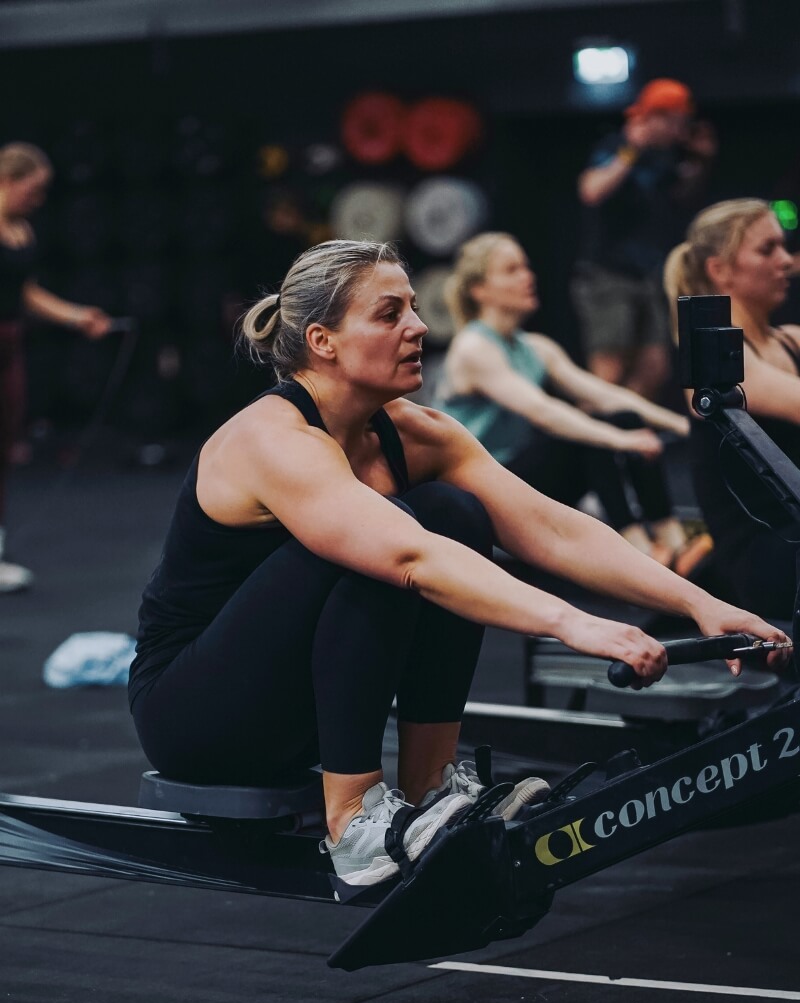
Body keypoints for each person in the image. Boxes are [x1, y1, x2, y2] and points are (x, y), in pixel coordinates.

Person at [128, 239, 787, 890]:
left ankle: (430, 785)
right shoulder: (271, 439)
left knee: (457, 512)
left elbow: (553, 529)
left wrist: (699, 602)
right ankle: (353, 819)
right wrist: (571, 624)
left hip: (295, 709)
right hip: (198, 716)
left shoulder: (415, 433)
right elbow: (407, 555)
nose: (418, 327)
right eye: (389, 314)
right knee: (386, 543)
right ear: (323, 341)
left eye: (413, 308)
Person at [438, 231, 709, 571]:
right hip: (481, 492)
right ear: (479, 290)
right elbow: (541, 411)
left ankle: (671, 538)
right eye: (512, 270)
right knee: (586, 435)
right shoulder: (473, 348)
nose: (528, 277)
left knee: (622, 416)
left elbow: (606, 394)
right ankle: (635, 547)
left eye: (526, 267)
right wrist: (619, 440)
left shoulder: (535, 347)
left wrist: (685, 425)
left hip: (520, 483)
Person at [664, 198, 800, 618]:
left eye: (784, 246)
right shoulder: (715, 359)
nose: (786, 262)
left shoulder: (791, 339)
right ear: (719, 269)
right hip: (765, 559)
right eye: (767, 250)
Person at [0, 142, 111, 593]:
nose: (38, 199)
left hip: (9, 344)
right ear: (8, 179)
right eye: (34, 188)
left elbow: (24, 294)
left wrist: (75, 316)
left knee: (5, 444)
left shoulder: (21, 230)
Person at [572, 78, 716, 400]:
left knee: (656, 366)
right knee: (608, 372)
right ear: (653, 118)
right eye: (675, 123)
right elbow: (591, 190)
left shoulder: (666, 156)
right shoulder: (617, 145)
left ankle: (627, 428)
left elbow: (683, 197)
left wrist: (701, 161)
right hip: (606, 274)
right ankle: (602, 440)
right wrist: (631, 149)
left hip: (647, 272)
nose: (680, 132)